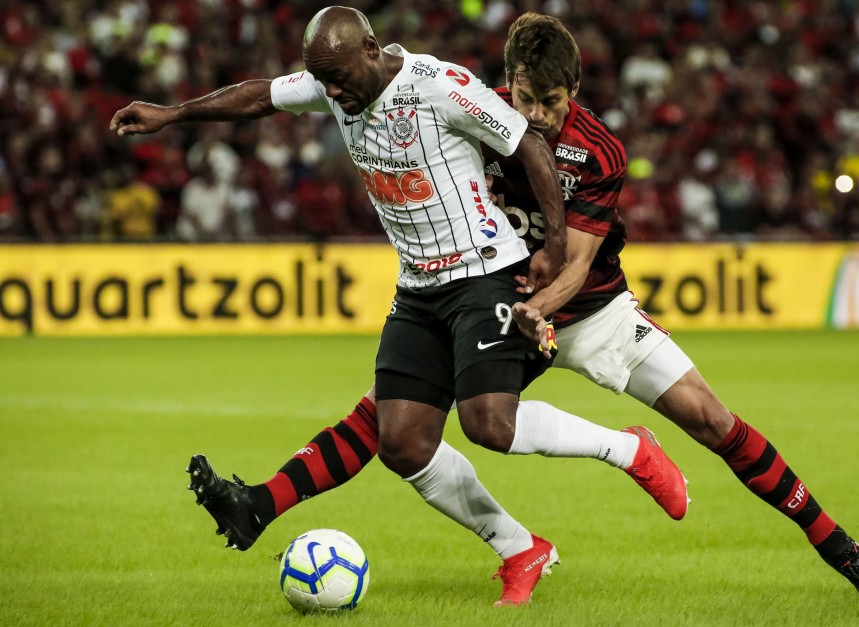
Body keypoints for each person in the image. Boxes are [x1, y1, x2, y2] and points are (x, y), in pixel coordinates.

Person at [163, 12, 859, 601]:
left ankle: (839, 546)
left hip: (591, 308)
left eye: (550, 101)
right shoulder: (473, 112)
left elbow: (575, 261)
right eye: (524, 97)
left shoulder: (598, 152)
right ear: (507, 83)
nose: (535, 114)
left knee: (714, 421)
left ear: (572, 90)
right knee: (394, 423)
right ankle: (501, 544)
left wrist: (542, 304)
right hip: (504, 296)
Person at [111, 6, 689, 607]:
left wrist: (555, 249)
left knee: (489, 422)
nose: (331, 91)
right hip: (418, 289)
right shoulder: (333, 81)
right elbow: (261, 98)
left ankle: (630, 449)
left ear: (369, 47)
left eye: (338, 77)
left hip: (486, 273)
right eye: (321, 80)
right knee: (402, 442)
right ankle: (521, 548)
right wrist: (174, 114)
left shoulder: (438, 85)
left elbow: (530, 147)